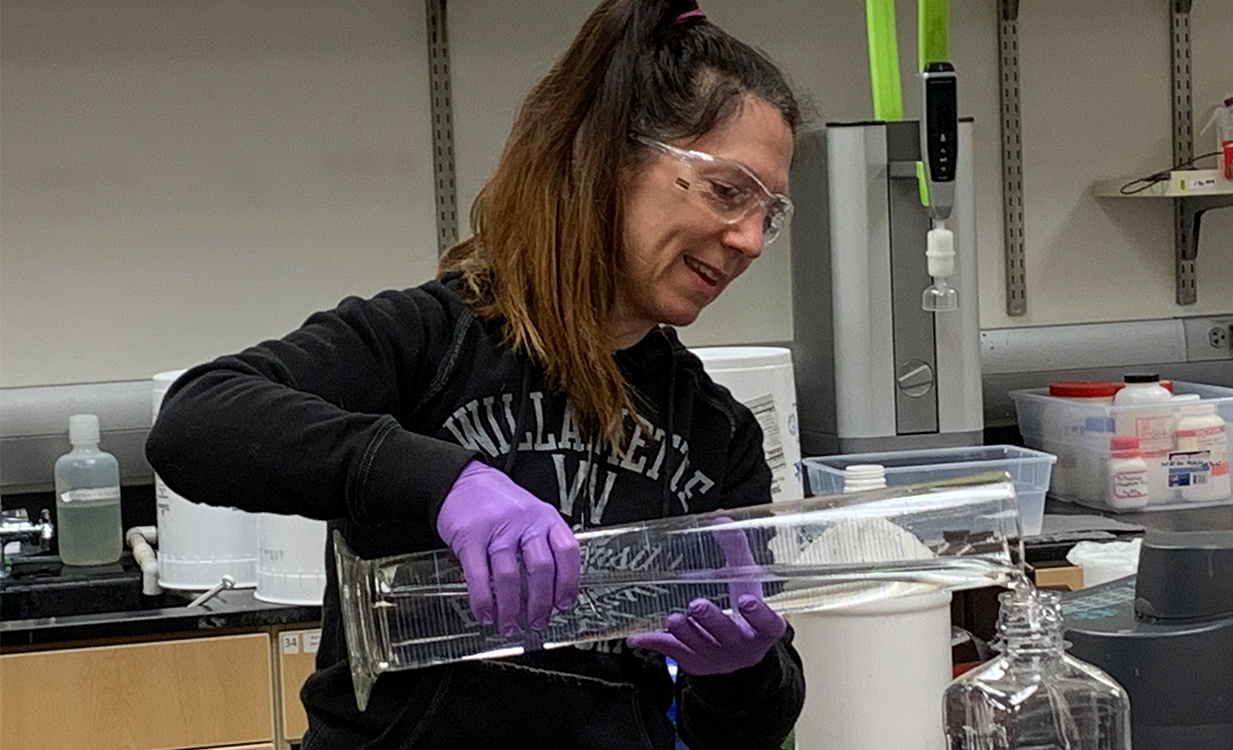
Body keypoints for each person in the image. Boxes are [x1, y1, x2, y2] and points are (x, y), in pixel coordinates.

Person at [145, 1, 805, 748]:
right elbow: (197, 422)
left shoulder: (716, 432)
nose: (749, 240)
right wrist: (447, 483)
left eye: (768, 212)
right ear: (606, 156)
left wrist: (742, 669)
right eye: (728, 191)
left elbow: (747, 730)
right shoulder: (431, 342)